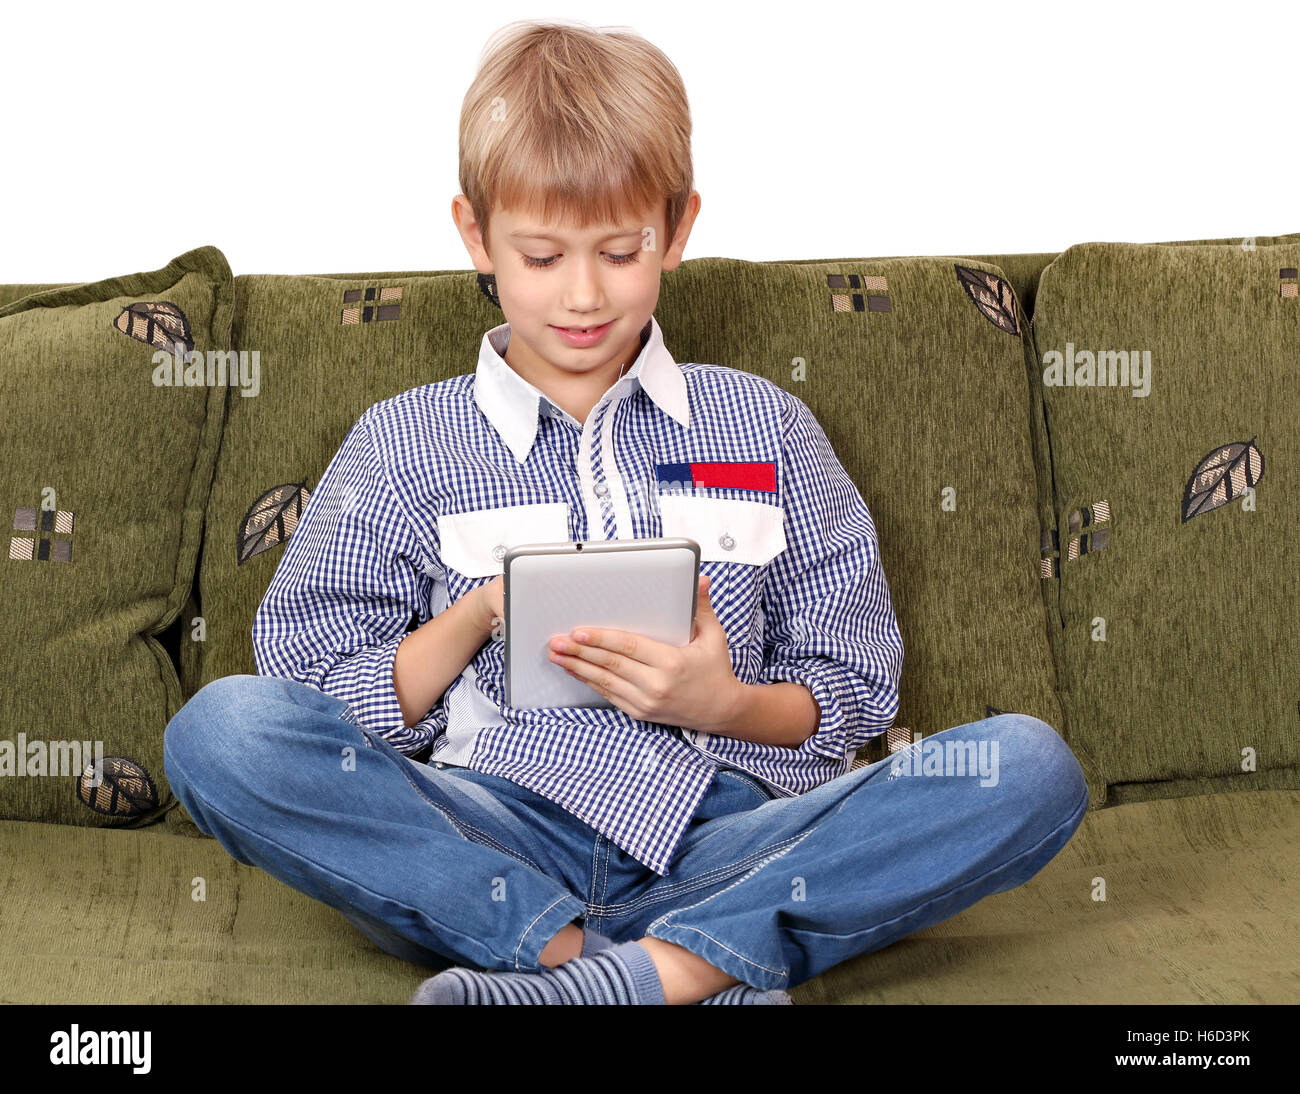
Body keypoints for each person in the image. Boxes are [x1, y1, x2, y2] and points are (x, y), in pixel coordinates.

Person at [163, 18, 1089, 1006]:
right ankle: (629, 960)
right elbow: (313, 694)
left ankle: (627, 973)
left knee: (1025, 764)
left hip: (731, 830)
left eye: (618, 250)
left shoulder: (764, 426)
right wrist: (475, 615)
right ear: (476, 235)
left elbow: (853, 684)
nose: (583, 293)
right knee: (219, 729)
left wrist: (724, 705)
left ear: (677, 229)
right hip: (492, 831)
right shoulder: (401, 443)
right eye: (541, 255)